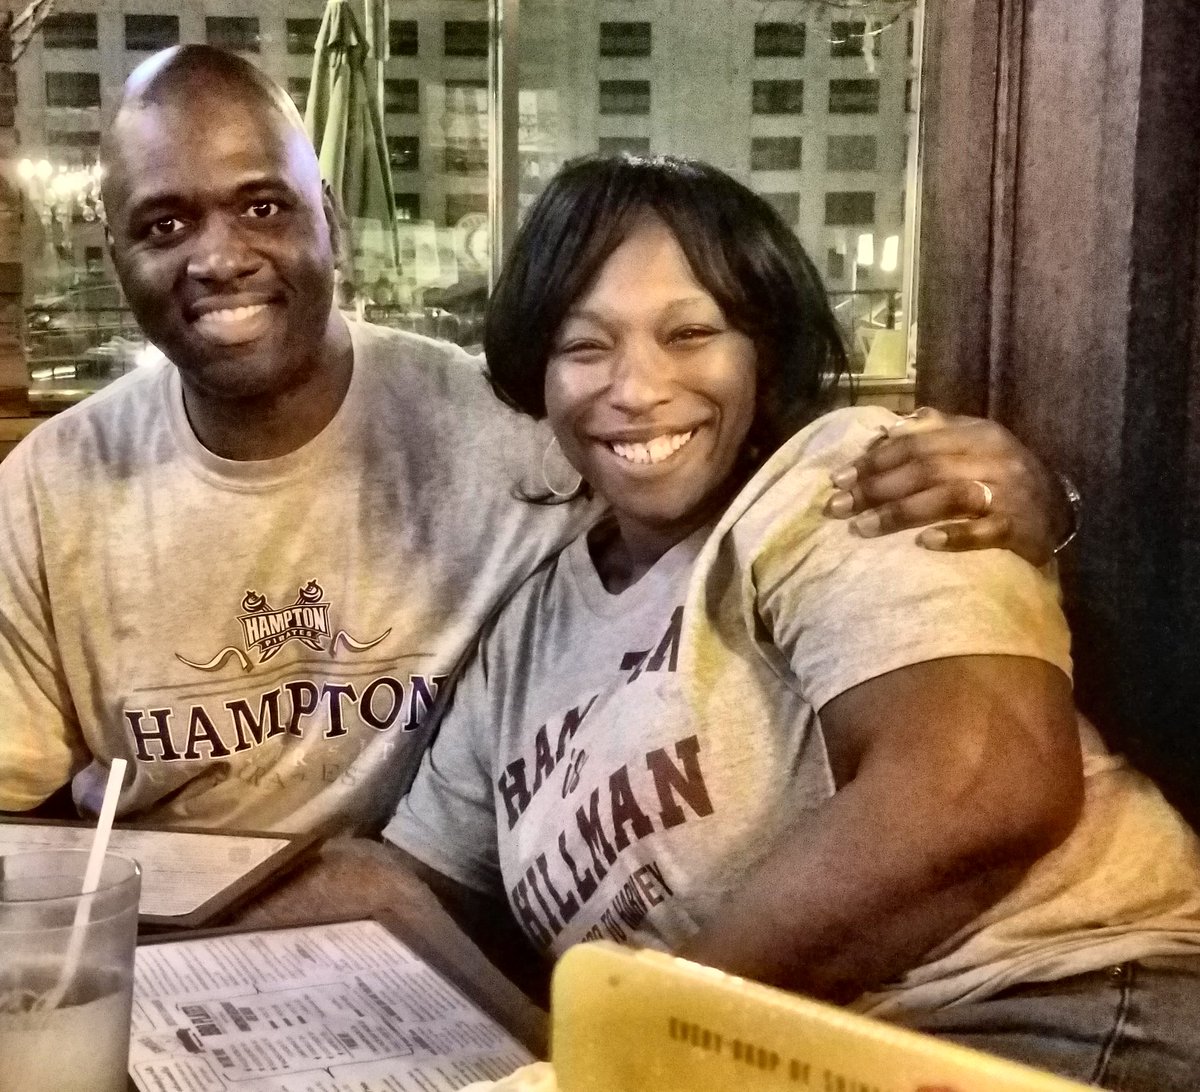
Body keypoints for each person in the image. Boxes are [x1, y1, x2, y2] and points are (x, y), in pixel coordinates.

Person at [0, 46, 1068, 833]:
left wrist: (1036, 500)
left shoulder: (517, 423)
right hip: (189, 934)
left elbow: (728, 468)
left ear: (330, 215)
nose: (220, 255)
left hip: (437, 921)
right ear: (114, 254)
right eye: (165, 224)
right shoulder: (51, 486)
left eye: (264, 207)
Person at [378, 155, 1200, 1088]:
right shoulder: (532, 629)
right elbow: (408, 883)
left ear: (761, 353)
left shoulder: (843, 483)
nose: (637, 387)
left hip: (1056, 1005)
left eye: (690, 334)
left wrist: (637, 1037)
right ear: (537, 374)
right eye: (584, 346)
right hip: (777, 1064)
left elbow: (984, 781)